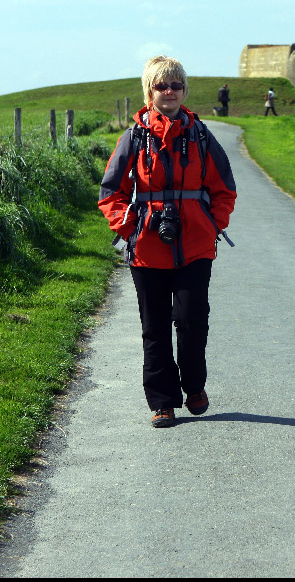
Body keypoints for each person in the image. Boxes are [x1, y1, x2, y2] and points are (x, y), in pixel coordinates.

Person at [99, 56, 237, 428]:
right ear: (149, 92)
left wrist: (211, 224)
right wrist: (128, 228)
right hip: (146, 247)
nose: (170, 91)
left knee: (191, 321)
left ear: (184, 91)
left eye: (176, 85)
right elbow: (110, 192)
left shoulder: (202, 136)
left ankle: (194, 386)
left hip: (195, 245)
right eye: (162, 85)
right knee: (155, 326)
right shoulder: (133, 138)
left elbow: (225, 189)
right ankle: (162, 401)